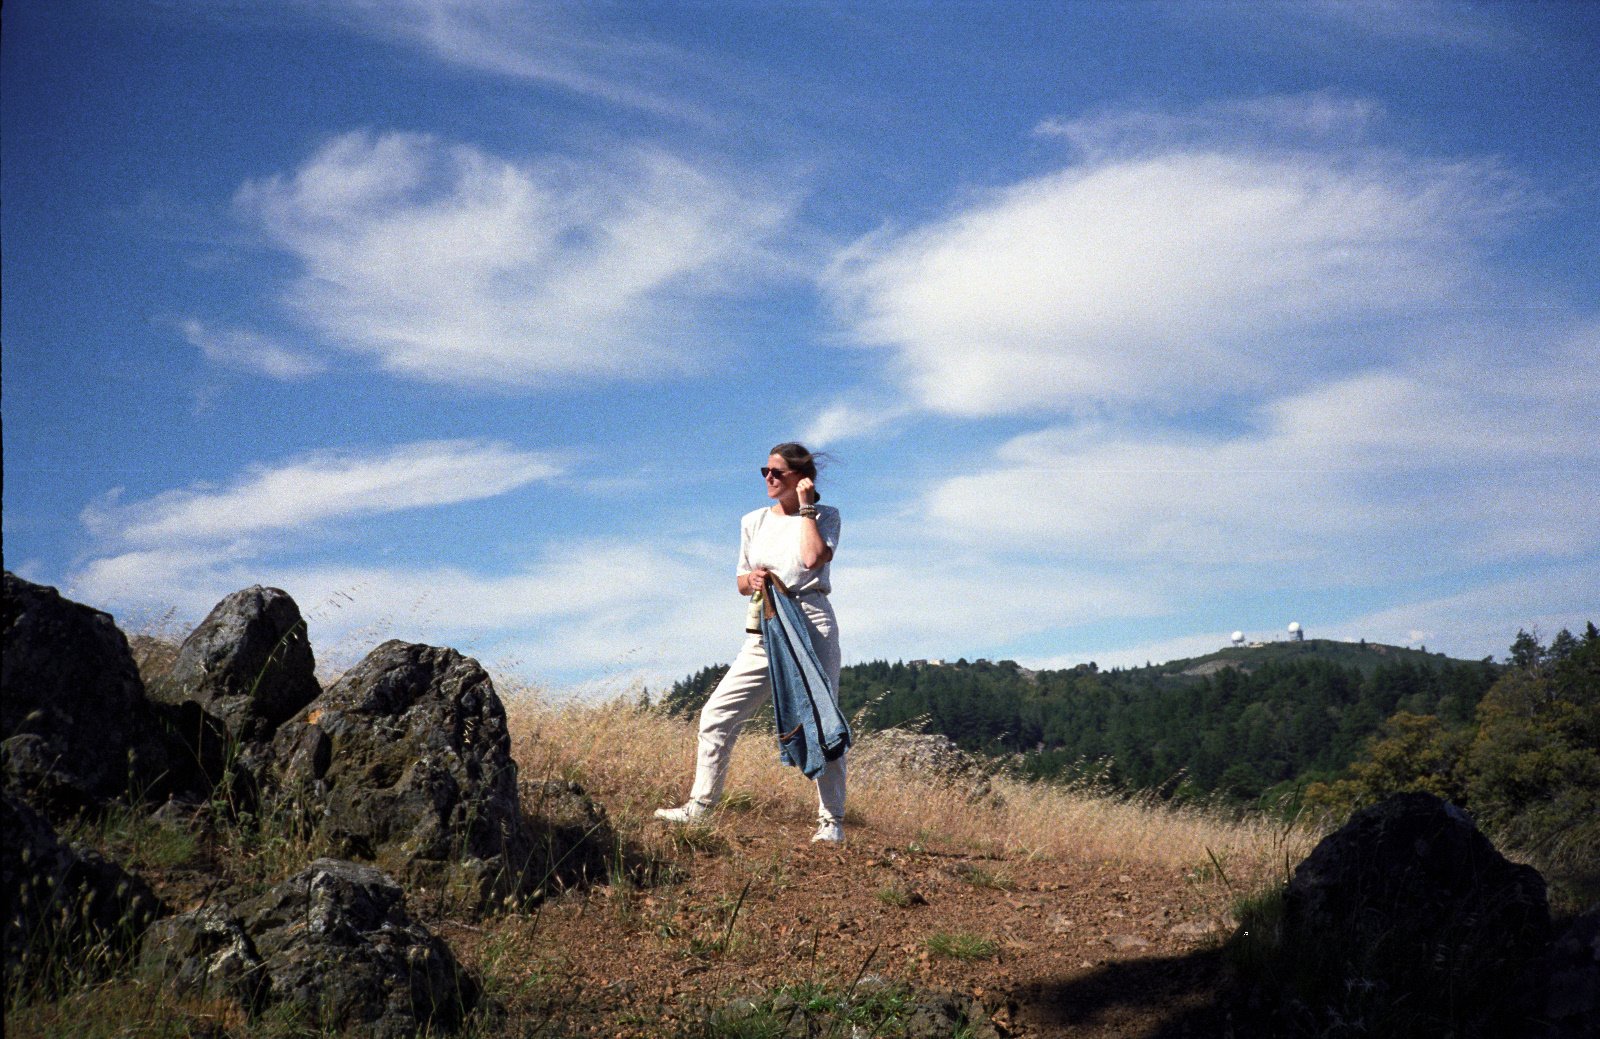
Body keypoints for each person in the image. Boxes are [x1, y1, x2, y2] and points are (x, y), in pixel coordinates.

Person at [655, 442, 847, 843]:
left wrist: (806, 507)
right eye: (765, 471)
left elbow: (812, 559)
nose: (768, 478)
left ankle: (831, 823)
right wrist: (754, 580)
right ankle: (700, 806)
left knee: (821, 718)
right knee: (717, 713)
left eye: (777, 472)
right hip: (767, 623)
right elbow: (741, 581)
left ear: (801, 478)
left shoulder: (825, 515)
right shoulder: (753, 521)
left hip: (811, 622)